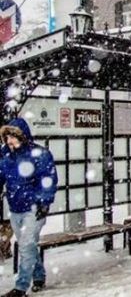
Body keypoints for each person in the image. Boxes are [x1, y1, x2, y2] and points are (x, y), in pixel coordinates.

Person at [0, 118, 58, 296]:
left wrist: (44, 203)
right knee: (29, 245)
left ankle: (20, 287)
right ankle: (39, 275)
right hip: (15, 207)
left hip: (34, 208)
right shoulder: (5, 155)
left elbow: (48, 180)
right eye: (7, 137)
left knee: (25, 246)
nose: (9, 141)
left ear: (22, 136)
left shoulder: (39, 153)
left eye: (13, 137)